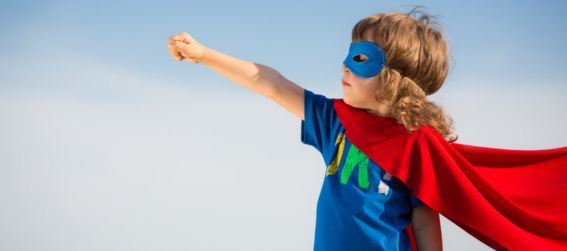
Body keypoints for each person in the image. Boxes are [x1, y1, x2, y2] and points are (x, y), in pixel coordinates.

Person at [167, 9, 567, 251]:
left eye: (359, 58)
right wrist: (204, 55)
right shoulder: (334, 121)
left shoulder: (417, 144)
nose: (343, 65)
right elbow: (270, 83)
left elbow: (425, 219)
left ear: (393, 79)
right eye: (347, 53)